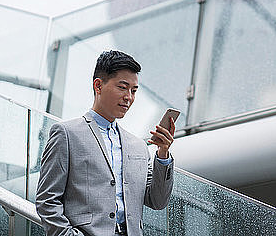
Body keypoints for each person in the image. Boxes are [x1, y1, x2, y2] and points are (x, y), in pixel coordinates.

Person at [36, 50, 175, 236]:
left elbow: (157, 201)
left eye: (133, 91)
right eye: (122, 87)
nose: (129, 97)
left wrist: (163, 153)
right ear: (98, 86)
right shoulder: (66, 134)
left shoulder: (139, 146)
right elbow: (47, 200)